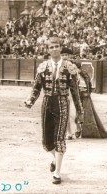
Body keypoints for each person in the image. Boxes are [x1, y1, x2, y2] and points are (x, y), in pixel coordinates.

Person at [24, 37, 84, 184]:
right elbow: (37, 87)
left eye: (57, 46)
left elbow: (75, 92)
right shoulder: (43, 66)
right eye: (51, 47)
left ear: (60, 48)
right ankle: (55, 159)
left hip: (62, 102)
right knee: (46, 142)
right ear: (48, 49)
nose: (55, 49)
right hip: (47, 102)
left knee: (59, 139)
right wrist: (30, 100)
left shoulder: (69, 66)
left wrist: (80, 111)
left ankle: (57, 173)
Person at [73, 62, 107, 138]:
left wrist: (88, 93)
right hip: (78, 96)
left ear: (79, 68)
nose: (73, 70)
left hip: (84, 96)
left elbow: (88, 85)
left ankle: (80, 130)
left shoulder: (83, 75)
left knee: (84, 113)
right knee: (76, 113)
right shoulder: (75, 76)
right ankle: (78, 129)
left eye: (75, 68)